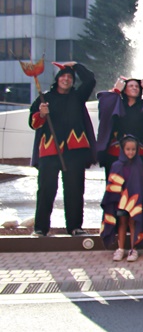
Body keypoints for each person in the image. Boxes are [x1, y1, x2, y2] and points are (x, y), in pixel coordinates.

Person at [28, 61, 97, 237]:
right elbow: (33, 123)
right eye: (63, 76)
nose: (66, 79)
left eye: (69, 77)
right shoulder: (44, 98)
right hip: (50, 151)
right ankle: (40, 228)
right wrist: (41, 114)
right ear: (57, 79)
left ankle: (75, 227)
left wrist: (76, 66)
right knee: (46, 190)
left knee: (75, 189)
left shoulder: (78, 96)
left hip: (75, 151)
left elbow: (90, 80)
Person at [99, 135, 143, 261]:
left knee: (133, 223)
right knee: (122, 223)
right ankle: (120, 249)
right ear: (122, 149)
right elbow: (112, 184)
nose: (130, 152)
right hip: (121, 201)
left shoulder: (139, 165)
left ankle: (133, 249)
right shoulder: (116, 165)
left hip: (134, 201)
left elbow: (141, 184)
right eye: (128, 149)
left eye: (133, 149)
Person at [95, 77, 143, 178]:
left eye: (137, 86)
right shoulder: (117, 103)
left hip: (140, 149)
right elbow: (104, 103)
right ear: (124, 90)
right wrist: (115, 90)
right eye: (131, 86)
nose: (134, 88)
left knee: (137, 185)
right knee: (114, 184)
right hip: (116, 150)